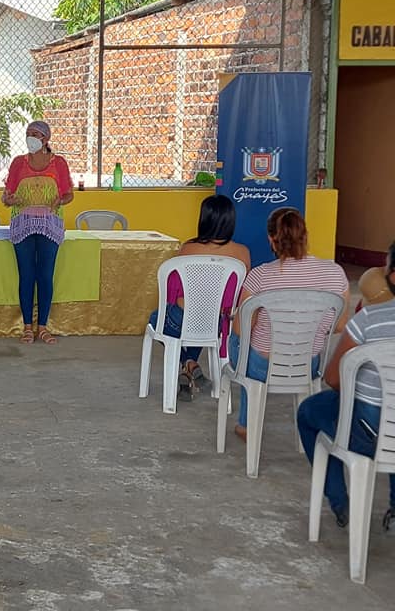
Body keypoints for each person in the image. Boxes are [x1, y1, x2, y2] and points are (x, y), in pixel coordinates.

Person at [297, 240, 395, 530]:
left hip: (367, 433)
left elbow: (333, 378)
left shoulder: (369, 319)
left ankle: (340, 501)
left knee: (309, 412)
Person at [229, 207, 349, 441]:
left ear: (271, 239)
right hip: (308, 363)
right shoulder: (335, 273)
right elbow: (339, 325)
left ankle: (246, 423)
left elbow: (241, 329)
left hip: (262, 367)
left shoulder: (260, 276)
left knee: (239, 338)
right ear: (305, 235)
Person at [147, 194, 251, 401]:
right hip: (219, 322)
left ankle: (188, 364)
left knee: (155, 318)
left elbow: (173, 293)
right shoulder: (242, 253)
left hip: (183, 318)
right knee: (203, 322)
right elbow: (242, 293)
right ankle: (190, 365)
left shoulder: (188, 249)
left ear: (204, 219)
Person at [1, 120, 74, 344]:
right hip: (23, 224)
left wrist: (60, 201)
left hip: (48, 224)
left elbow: (69, 194)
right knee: (26, 275)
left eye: (35, 133)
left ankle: (42, 326)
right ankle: (26, 327)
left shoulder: (58, 163)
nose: (30, 137)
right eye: (28, 133)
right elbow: (6, 196)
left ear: (46, 138)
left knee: (45, 275)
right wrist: (9, 199)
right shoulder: (18, 163)